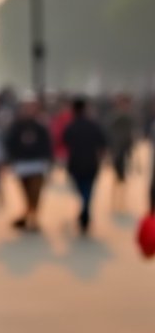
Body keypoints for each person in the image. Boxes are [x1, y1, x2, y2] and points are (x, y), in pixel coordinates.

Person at [4, 95, 53, 232]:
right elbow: (10, 143)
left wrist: (48, 160)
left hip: (37, 164)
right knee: (26, 192)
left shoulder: (41, 126)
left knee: (35, 192)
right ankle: (28, 214)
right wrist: (11, 159)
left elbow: (47, 145)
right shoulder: (17, 126)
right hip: (22, 164)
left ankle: (32, 217)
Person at [62, 96, 107, 234]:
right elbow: (102, 143)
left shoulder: (71, 126)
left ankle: (85, 211)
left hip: (75, 164)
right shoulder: (94, 125)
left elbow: (65, 142)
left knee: (82, 189)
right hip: (91, 163)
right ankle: (85, 211)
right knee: (88, 190)